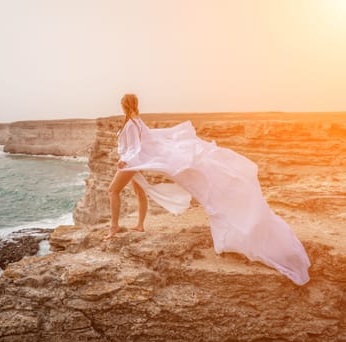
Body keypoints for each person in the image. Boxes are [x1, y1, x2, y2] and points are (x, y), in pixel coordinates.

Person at [106, 94, 311, 285]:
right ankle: (139, 225)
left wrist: (125, 161)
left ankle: (114, 226)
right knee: (140, 192)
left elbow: (135, 147)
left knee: (112, 191)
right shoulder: (136, 120)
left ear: (125, 105)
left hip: (131, 162)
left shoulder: (133, 123)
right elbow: (145, 142)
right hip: (135, 161)